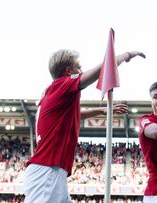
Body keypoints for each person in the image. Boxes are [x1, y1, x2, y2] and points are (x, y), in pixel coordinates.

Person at [24, 49, 145, 203]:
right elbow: (102, 69)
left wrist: (101, 110)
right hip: (47, 171)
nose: (81, 71)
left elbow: (75, 114)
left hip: (51, 171)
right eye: (78, 67)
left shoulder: (53, 92)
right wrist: (125, 56)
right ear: (68, 71)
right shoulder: (63, 85)